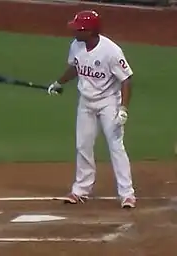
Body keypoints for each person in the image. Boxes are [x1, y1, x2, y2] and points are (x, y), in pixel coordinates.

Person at [47, 10, 136, 209]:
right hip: (86, 102)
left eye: (79, 28)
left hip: (108, 103)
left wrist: (123, 108)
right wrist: (59, 82)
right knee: (83, 145)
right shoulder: (76, 46)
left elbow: (126, 79)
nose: (75, 31)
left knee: (115, 146)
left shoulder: (111, 51)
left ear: (90, 31)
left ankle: (127, 193)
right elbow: (76, 67)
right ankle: (81, 190)